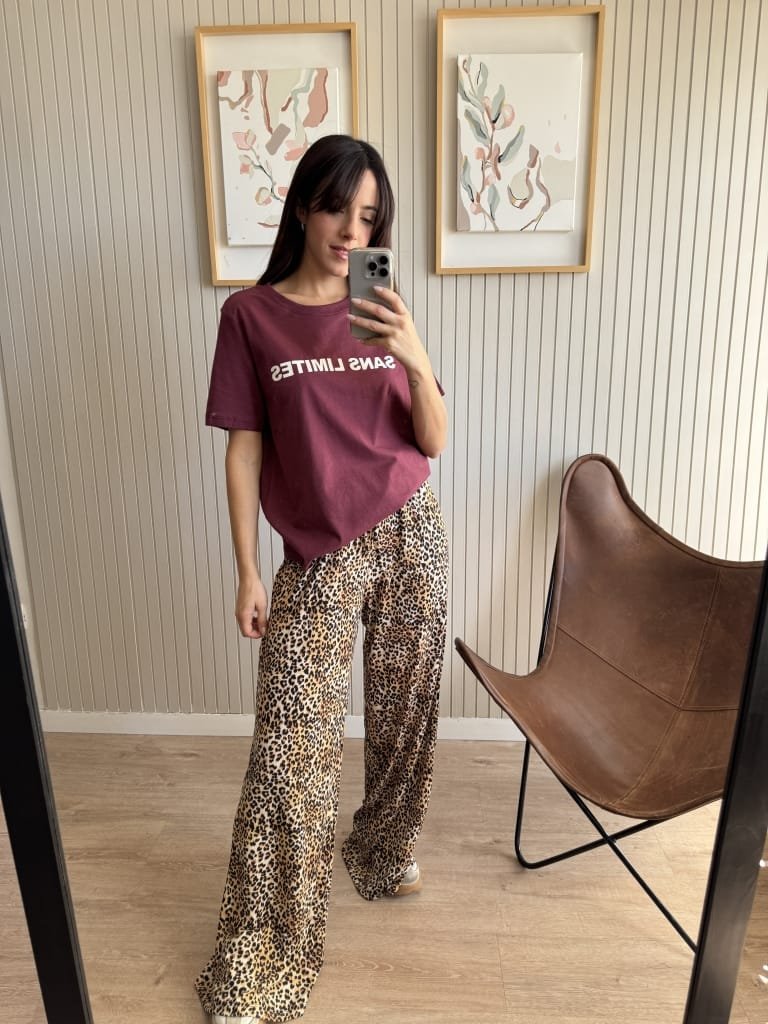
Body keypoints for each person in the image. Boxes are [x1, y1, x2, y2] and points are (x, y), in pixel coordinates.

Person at [194, 134, 449, 1024]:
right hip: (317, 552)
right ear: (303, 205)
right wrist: (246, 569)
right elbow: (244, 449)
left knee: (406, 709)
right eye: (338, 208)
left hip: (410, 528)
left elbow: (432, 439)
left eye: (369, 217)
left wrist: (413, 353)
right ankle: (260, 959)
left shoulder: (380, 307)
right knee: (290, 748)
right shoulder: (251, 317)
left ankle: (382, 851)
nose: (351, 231)